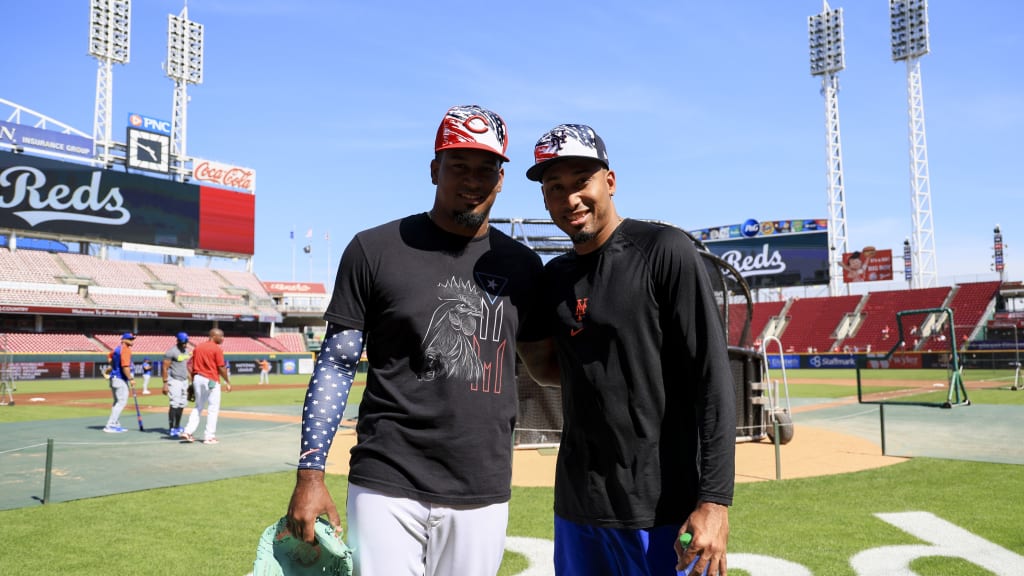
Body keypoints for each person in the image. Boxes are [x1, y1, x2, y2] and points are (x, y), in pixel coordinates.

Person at [284, 104, 557, 576]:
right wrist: (310, 474)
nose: (473, 179)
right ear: (434, 170)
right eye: (459, 166)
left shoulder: (523, 267)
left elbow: (547, 366)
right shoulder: (374, 249)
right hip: (386, 480)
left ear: (501, 179)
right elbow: (336, 363)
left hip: (482, 483)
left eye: (486, 168)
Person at [526, 124, 736, 576]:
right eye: (554, 188)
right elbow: (548, 367)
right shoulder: (553, 279)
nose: (570, 199)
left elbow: (713, 380)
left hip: (664, 511)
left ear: (610, 181)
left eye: (581, 182)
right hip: (578, 510)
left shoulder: (665, 250)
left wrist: (715, 501)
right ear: (545, 199)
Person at [181, 328, 232, 444]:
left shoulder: (198, 347)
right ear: (214, 336)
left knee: (198, 406)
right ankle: (209, 436)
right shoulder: (216, 349)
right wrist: (227, 382)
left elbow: (190, 366)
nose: (223, 338)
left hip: (197, 378)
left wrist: (193, 381)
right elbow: (221, 367)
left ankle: (187, 431)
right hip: (211, 379)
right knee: (213, 408)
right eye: (221, 336)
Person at [103, 332, 137, 433]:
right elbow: (125, 367)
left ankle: (115, 423)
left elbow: (108, 356)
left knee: (117, 402)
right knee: (121, 402)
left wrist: (113, 366)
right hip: (120, 379)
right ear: (123, 340)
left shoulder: (117, 349)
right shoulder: (126, 350)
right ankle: (111, 425)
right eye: (130, 339)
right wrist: (131, 379)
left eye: (132, 339)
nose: (132, 341)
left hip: (114, 378)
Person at [162, 332, 192, 437]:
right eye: (183, 342)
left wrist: (190, 379)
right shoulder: (171, 352)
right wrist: (165, 383)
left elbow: (186, 366)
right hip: (174, 380)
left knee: (182, 403)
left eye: (186, 342)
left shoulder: (186, 351)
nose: (185, 344)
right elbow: (165, 368)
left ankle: (177, 426)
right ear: (178, 341)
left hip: (184, 381)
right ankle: (171, 428)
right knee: (174, 403)